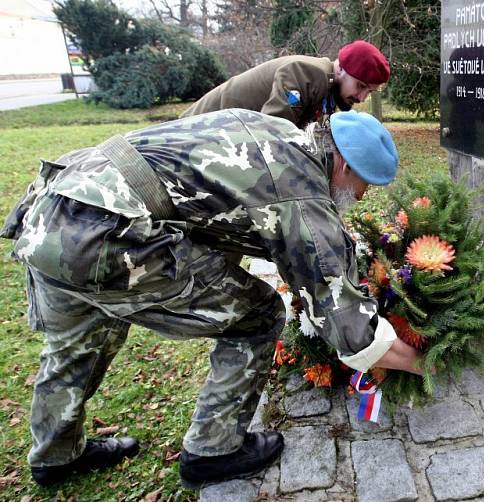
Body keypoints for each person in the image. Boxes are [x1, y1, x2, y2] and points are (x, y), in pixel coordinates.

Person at [1, 108, 421, 489]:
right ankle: (213, 450)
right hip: (107, 236)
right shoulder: (301, 191)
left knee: (81, 339)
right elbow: (350, 329)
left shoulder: (274, 130)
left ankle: (55, 456)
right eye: (364, 184)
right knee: (257, 315)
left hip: (57, 209)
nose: (362, 197)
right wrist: (423, 364)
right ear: (344, 165)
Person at [180, 40, 390, 128]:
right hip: (194, 129)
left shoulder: (328, 88)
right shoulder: (307, 74)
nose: (362, 98)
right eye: (361, 86)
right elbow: (273, 130)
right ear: (342, 68)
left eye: (369, 91)